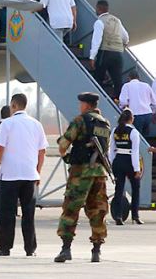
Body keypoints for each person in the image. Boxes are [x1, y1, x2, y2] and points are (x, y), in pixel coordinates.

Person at [54, 92, 110, 264]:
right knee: (98, 210)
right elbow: (105, 148)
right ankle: (96, 251)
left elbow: (63, 144)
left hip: (81, 172)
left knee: (71, 208)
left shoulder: (80, 121)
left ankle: (66, 249)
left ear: (86, 105)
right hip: (99, 172)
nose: (80, 107)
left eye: (81, 104)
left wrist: (66, 157)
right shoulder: (104, 123)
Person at [0, 93, 48, 257]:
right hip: (29, 175)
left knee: (7, 212)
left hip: (9, 175)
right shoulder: (36, 124)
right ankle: (30, 248)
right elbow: (42, 151)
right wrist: (38, 171)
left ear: (13, 106)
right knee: (28, 213)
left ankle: (5, 247)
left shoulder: (7, 124)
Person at [108, 109, 143, 226]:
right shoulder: (133, 132)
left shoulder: (115, 130)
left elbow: (111, 149)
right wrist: (137, 169)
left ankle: (118, 216)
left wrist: (113, 162)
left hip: (118, 160)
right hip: (129, 161)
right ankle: (135, 216)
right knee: (136, 189)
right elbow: (135, 152)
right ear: (131, 118)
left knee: (119, 189)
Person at [89, 0, 129, 100]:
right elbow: (126, 38)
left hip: (105, 52)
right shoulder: (117, 21)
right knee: (117, 80)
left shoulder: (99, 22)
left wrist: (92, 57)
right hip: (118, 54)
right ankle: (117, 100)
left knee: (98, 77)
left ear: (98, 8)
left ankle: (97, 100)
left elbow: (96, 40)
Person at [118, 71, 156, 136]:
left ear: (129, 78)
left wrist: (121, 108)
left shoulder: (127, 86)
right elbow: (154, 101)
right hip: (148, 114)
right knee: (145, 137)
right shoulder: (146, 85)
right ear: (139, 78)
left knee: (137, 136)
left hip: (135, 114)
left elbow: (123, 102)